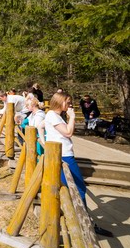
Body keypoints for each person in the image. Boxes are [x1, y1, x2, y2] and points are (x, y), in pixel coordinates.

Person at [44, 93, 112, 237]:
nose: (70, 105)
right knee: (79, 189)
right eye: (67, 102)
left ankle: (83, 221)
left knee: (73, 189)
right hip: (64, 156)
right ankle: (85, 224)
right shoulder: (52, 115)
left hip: (64, 154)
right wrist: (73, 117)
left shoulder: (55, 115)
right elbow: (68, 132)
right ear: (60, 102)